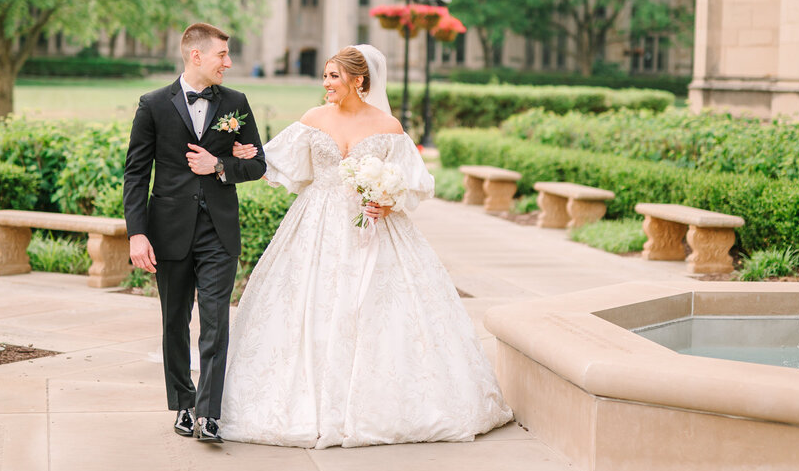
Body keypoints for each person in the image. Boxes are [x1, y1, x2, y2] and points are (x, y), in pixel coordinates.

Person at [218, 44, 512, 448]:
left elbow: (415, 184)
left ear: (359, 80)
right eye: (324, 76)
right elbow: (271, 160)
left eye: (333, 76)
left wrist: (389, 200)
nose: (325, 84)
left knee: (381, 311)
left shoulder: (388, 127)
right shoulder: (313, 119)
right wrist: (240, 152)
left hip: (374, 227)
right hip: (315, 224)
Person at [123, 22, 267, 444]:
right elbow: (136, 174)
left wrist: (221, 166)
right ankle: (183, 405)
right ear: (196, 56)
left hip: (219, 232)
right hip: (168, 231)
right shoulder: (152, 105)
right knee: (174, 322)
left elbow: (257, 164)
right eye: (222, 54)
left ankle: (209, 413)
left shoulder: (237, 103)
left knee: (216, 322)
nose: (229, 61)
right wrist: (137, 233)